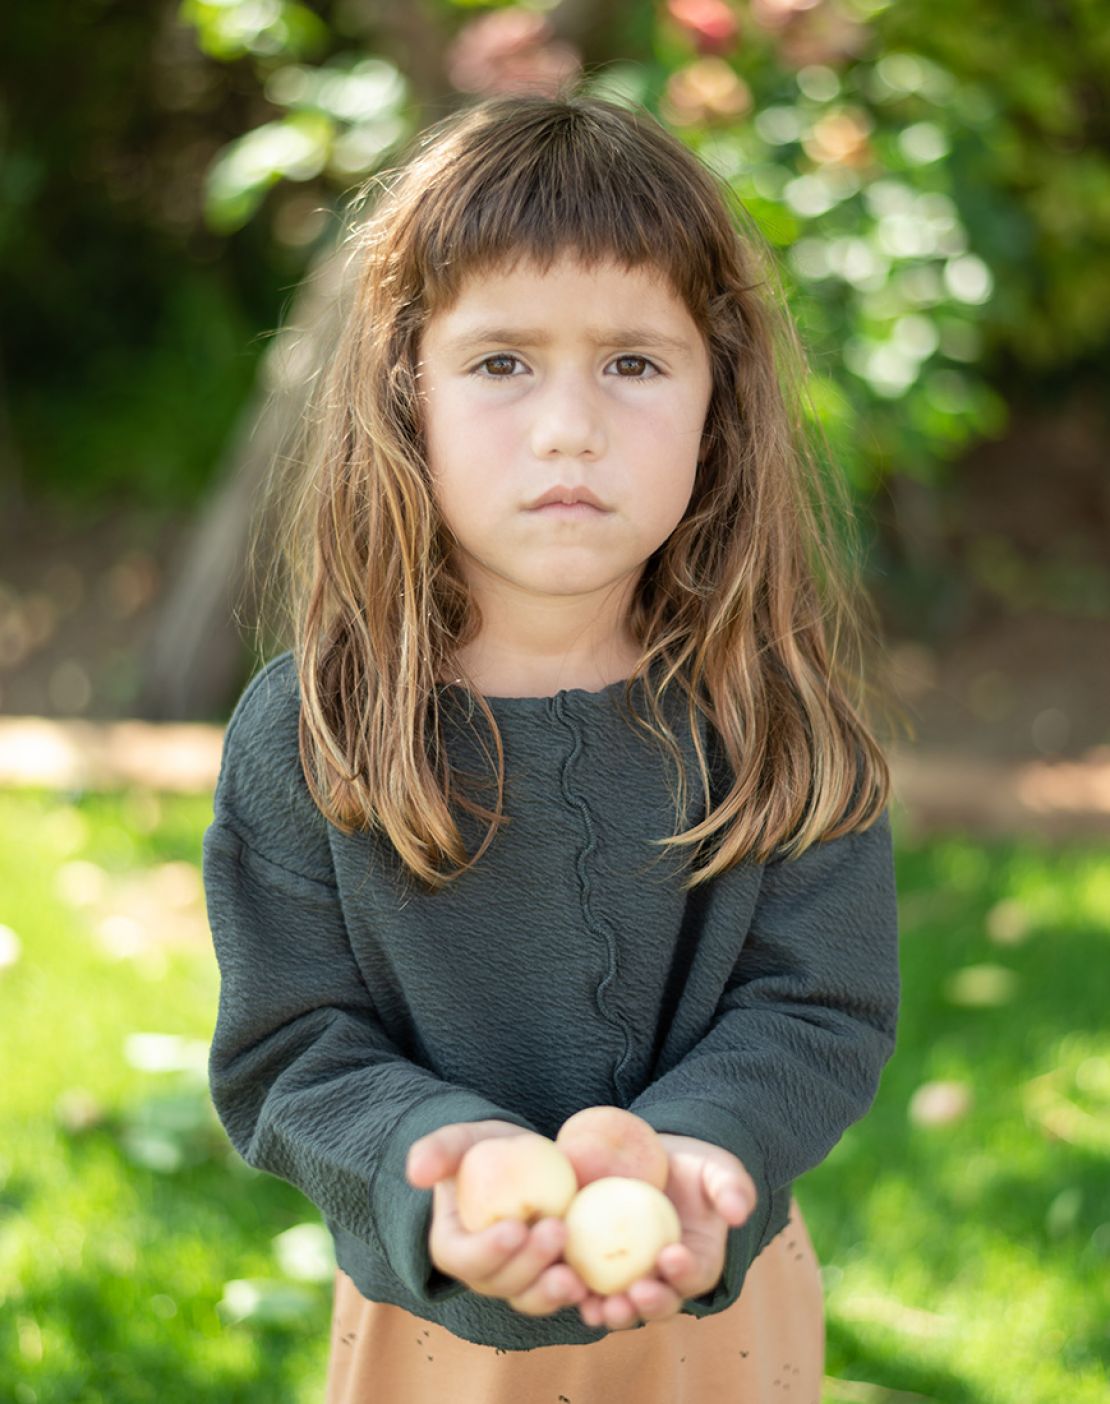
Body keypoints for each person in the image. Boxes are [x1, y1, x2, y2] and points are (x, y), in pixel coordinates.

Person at [202, 86, 902, 1404]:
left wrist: (695, 1154)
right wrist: (447, 1164)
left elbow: (815, 1009)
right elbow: (289, 1052)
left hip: (715, 1307)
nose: (568, 426)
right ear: (406, 389)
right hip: (437, 1326)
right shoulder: (312, 733)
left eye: (633, 362)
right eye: (502, 362)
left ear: (719, 396)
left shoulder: (780, 721)